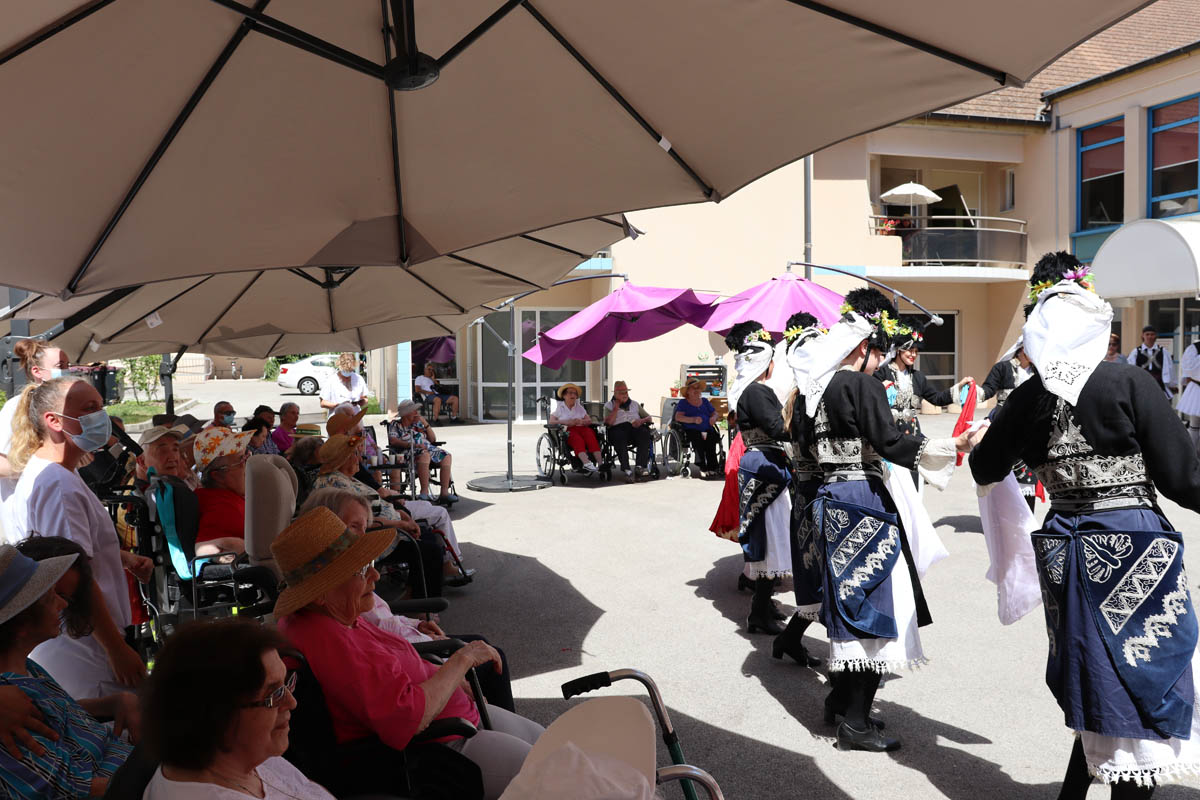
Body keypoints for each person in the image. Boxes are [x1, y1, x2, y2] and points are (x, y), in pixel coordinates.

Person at [971, 252, 1200, 798]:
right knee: (1140, 665)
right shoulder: (1128, 382)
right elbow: (1181, 477)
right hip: (1132, 543)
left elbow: (984, 468)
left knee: (1096, 666)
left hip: (1067, 547)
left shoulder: (1027, 397)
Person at [800, 288, 977, 753]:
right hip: (863, 497)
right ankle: (856, 724)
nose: (880, 362)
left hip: (831, 498)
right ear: (862, 348)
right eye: (878, 353)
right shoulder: (860, 385)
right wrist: (952, 446)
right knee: (879, 602)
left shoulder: (814, 391)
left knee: (850, 598)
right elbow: (891, 441)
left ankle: (841, 703)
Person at [274, 507, 543, 800]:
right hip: (439, 749)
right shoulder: (328, 640)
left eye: (368, 563)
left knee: (555, 745)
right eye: (360, 570)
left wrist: (450, 679)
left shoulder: (334, 616)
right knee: (556, 773)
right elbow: (405, 718)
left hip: (456, 720)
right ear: (321, 592)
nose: (375, 575)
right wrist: (460, 662)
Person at [1, 378, 149, 699]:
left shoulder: (60, 474)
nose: (101, 417)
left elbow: (68, 550)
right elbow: (71, 574)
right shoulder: (58, 484)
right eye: (90, 408)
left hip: (80, 642)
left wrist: (122, 559)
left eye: (101, 407)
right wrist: (115, 648)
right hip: (83, 649)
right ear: (54, 421)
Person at [300, 489, 509, 711]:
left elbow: (384, 627)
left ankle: (494, 717)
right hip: (423, 664)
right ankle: (494, 718)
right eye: (354, 527)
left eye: (364, 527)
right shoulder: (343, 596)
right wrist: (456, 663)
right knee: (491, 658)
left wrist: (416, 625)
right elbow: (403, 702)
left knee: (483, 647)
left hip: (417, 654)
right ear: (328, 529)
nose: (375, 575)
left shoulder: (349, 594)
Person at [141, 618, 335, 799]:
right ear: (217, 715)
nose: (291, 702)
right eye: (273, 694)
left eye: (287, 683)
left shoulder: (245, 754)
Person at [0, 544, 137, 799]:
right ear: (21, 625)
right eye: (51, 598)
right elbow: (69, 790)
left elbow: (60, 713)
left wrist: (113, 703)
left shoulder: (27, 669)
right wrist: (160, 779)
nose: (62, 604)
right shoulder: (10, 704)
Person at [312, 434, 458, 593]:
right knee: (430, 550)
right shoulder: (335, 484)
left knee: (428, 537)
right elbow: (359, 523)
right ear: (343, 459)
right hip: (371, 539)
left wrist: (403, 516)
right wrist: (400, 524)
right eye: (355, 454)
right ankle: (423, 600)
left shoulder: (345, 478)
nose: (359, 458)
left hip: (387, 529)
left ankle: (415, 592)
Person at [728, 321, 792, 636]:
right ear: (766, 364)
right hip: (765, 465)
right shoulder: (757, 391)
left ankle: (763, 606)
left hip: (764, 464)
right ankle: (758, 613)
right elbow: (778, 428)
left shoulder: (752, 391)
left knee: (770, 539)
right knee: (768, 540)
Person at [771, 312, 826, 668]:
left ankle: (789, 638)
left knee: (818, 574)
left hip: (808, 491)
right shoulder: (807, 400)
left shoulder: (798, 397)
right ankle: (847, 670)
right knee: (822, 573)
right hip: (816, 493)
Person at [875, 325, 972, 490]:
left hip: (912, 435)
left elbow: (937, 398)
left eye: (916, 351)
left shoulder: (918, 377)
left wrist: (960, 386)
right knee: (891, 487)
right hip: (890, 436)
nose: (913, 354)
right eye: (909, 350)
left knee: (912, 485)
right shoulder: (881, 373)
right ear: (898, 350)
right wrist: (880, 389)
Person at [0, 340, 69, 502]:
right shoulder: (16, 407)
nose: (67, 371)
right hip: (27, 502)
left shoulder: (65, 406)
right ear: (37, 371)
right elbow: (2, 464)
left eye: (68, 365)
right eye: (60, 366)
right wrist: (46, 468)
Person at [977, 337, 1040, 510]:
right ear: (1022, 349)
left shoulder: (1039, 371)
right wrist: (973, 392)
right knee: (1001, 476)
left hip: (1029, 431)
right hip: (1002, 427)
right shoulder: (1002, 368)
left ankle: (1026, 519)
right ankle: (1001, 518)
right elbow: (988, 390)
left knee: (1027, 478)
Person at [192, 426, 255, 556]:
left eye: (246, 456)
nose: (247, 464)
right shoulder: (220, 506)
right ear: (218, 476)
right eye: (240, 460)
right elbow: (204, 549)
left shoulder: (226, 496)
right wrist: (239, 548)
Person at [387, 400, 458, 504]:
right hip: (409, 452)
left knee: (447, 456)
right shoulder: (396, 424)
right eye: (414, 410)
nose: (417, 412)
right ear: (406, 413)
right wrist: (412, 445)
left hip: (428, 449)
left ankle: (444, 493)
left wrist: (425, 423)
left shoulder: (419, 424)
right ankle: (424, 492)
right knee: (425, 455)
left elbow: (432, 439)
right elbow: (393, 440)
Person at [603, 381, 654, 478]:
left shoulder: (634, 404)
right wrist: (616, 408)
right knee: (619, 436)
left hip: (634, 428)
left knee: (644, 433)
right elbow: (609, 423)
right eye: (621, 393)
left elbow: (649, 418)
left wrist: (641, 421)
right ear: (615, 394)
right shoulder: (608, 405)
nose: (625, 395)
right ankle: (626, 468)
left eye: (626, 392)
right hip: (617, 429)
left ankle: (640, 466)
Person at [549, 383, 601, 474]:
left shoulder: (579, 407)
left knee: (591, 435)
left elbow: (589, 420)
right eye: (570, 393)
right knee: (577, 439)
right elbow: (551, 421)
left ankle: (600, 464)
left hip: (582, 428)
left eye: (575, 393)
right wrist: (566, 422)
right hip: (568, 430)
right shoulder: (559, 407)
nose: (573, 395)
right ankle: (586, 463)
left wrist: (582, 421)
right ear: (564, 396)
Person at [673, 380, 720, 478]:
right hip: (692, 430)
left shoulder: (705, 401)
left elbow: (715, 413)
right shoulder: (683, 403)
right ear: (687, 391)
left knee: (711, 439)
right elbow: (678, 417)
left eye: (698, 388)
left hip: (707, 428)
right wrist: (693, 420)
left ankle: (712, 467)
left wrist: (713, 418)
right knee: (698, 439)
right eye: (693, 388)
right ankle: (703, 467)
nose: (696, 390)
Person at [1129, 325, 1173, 399]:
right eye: (1147, 334)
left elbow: (1168, 368)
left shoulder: (1163, 351)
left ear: (1155, 336)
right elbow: (1131, 369)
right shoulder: (1135, 352)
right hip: (1141, 384)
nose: (1150, 337)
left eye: (1152, 334)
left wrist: (1170, 384)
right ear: (1143, 336)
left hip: (1159, 384)